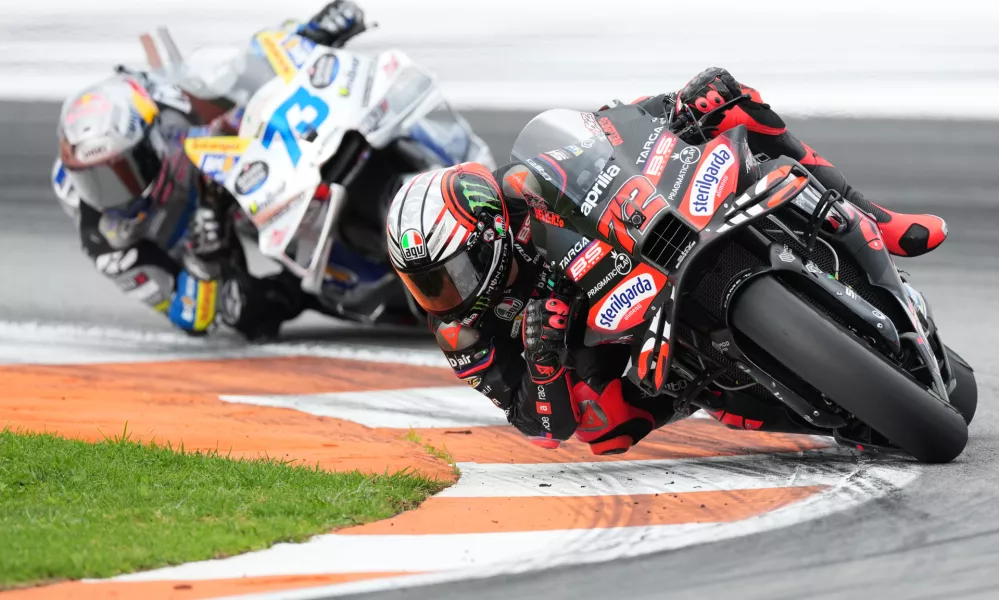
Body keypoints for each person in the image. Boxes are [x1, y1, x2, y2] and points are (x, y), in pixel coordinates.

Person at [385, 67, 951, 455]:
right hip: (605, 329)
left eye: (448, 273)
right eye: (426, 284)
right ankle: (706, 386)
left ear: (489, 235)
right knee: (602, 429)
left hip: (645, 232)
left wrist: (679, 105)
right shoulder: (462, 334)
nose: (442, 296)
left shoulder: (522, 186)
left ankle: (877, 218)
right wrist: (544, 358)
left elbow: (608, 130)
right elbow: (542, 426)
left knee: (731, 98)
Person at [50, 1, 368, 340]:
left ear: (149, 143)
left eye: (121, 172)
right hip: (200, 236)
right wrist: (203, 261)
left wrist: (308, 35)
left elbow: (241, 68)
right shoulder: (105, 239)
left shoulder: (166, 103)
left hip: (237, 166)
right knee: (241, 313)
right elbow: (187, 317)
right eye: (93, 182)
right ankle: (309, 290)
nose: (112, 195)